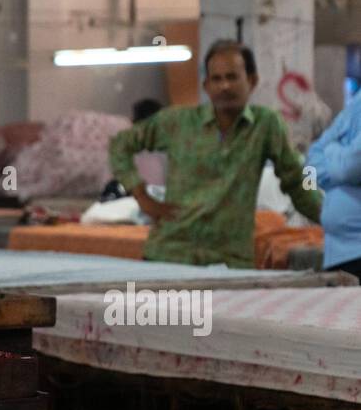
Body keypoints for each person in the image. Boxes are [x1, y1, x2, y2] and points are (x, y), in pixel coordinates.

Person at [107, 40, 321, 268]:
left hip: (230, 260)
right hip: (171, 253)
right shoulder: (178, 122)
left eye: (232, 77)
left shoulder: (266, 125)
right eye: (216, 79)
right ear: (206, 85)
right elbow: (120, 145)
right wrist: (142, 196)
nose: (224, 86)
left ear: (252, 80)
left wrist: (330, 217)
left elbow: (299, 181)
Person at [306, 95, 361, 279]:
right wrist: (342, 153)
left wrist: (329, 150)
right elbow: (309, 164)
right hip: (337, 253)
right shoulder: (355, 103)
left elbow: (352, 167)